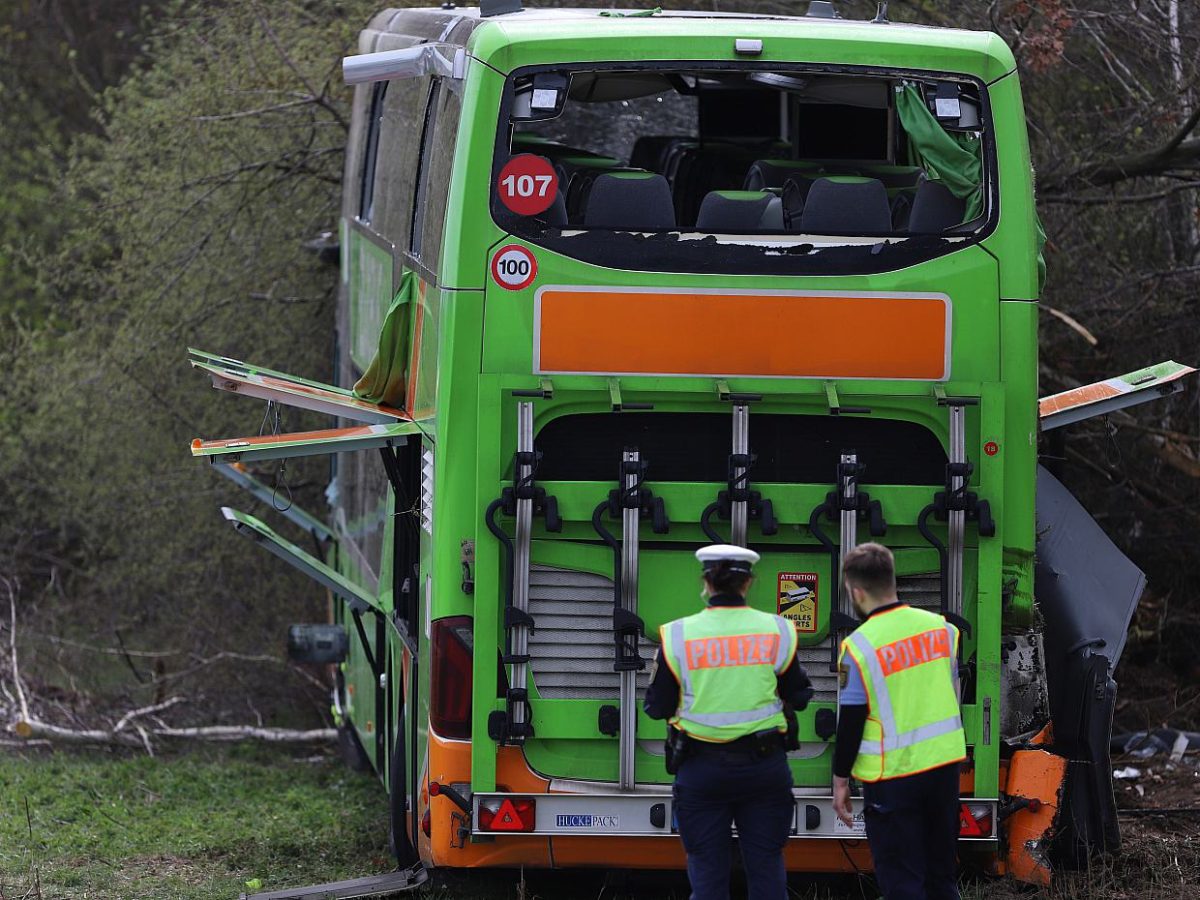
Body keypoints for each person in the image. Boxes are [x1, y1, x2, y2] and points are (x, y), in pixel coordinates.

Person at [644, 544, 813, 900]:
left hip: (700, 770)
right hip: (764, 768)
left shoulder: (677, 635)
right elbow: (799, 695)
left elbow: (657, 707)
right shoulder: (778, 631)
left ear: (706, 581)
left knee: (707, 877)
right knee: (767, 870)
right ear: (748, 583)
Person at [831, 542, 966, 900]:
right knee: (942, 877)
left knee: (902, 883)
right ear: (892, 580)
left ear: (855, 591)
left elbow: (852, 721)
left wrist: (840, 779)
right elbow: (950, 691)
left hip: (893, 777)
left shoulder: (858, 647)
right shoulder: (942, 630)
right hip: (943, 768)